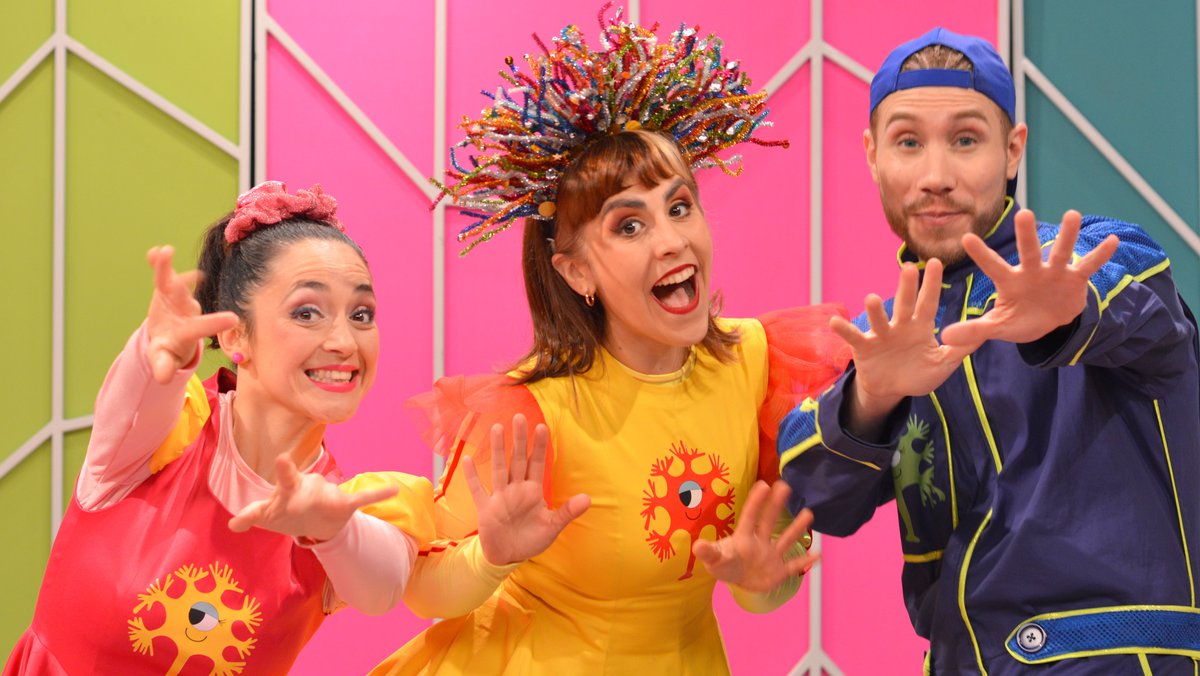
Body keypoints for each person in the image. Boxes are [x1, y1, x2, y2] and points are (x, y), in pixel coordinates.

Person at [370, 13, 849, 676]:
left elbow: (763, 585)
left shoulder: (758, 360)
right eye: (629, 226)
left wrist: (761, 576)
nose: (672, 241)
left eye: (679, 207)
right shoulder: (531, 412)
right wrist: (493, 556)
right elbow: (425, 589)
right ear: (577, 273)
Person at [3, 182, 571, 675]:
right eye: (306, 312)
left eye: (361, 314)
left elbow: (382, 587)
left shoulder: (352, 505)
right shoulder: (162, 439)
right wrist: (158, 352)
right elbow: (137, 397)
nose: (344, 342)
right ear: (234, 335)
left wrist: (332, 532)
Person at [777, 27, 1200, 674]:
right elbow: (815, 498)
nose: (936, 177)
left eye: (966, 140)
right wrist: (872, 397)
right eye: (908, 142)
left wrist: (1069, 313)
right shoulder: (887, 337)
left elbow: (1141, 310)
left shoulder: (1095, 257)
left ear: (1013, 150)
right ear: (872, 155)